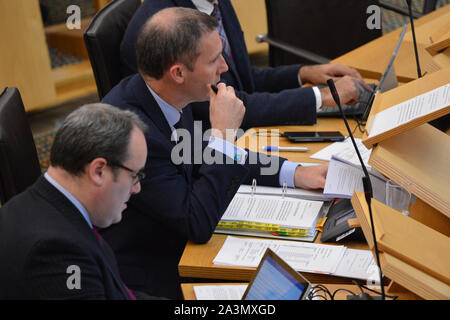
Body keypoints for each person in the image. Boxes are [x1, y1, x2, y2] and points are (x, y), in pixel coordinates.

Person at [102, 7, 329, 299]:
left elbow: (199, 156)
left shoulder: (164, 96)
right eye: (213, 61)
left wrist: (295, 173)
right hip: (152, 273)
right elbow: (195, 222)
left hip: (179, 241)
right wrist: (224, 136)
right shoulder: (135, 134)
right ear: (178, 73)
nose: (224, 67)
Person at [120, 0, 371, 130]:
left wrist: (302, 73)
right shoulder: (162, 28)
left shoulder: (214, 4)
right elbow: (227, 104)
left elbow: (242, 78)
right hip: (204, 153)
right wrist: (321, 96)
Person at [0, 104, 159, 299]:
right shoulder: (56, 252)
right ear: (98, 171)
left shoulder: (50, 206)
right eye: (135, 175)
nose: (137, 188)